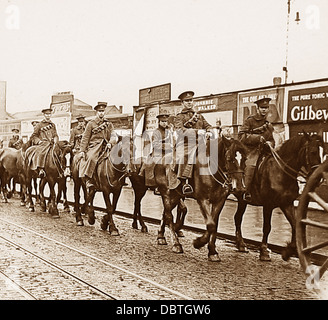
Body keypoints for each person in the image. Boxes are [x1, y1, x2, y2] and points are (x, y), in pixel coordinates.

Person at [175, 91, 213, 194]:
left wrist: (209, 131)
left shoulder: (199, 116)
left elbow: (208, 126)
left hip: (200, 143)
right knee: (185, 157)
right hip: (185, 143)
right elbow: (180, 131)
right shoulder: (179, 116)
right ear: (182, 103)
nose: (189, 102)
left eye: (191, 100)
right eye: (187, 101)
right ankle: (184, 182)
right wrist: (197, 132)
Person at [238, 97, 275, 202]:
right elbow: (241, 136)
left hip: (265, 152)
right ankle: (246, 192)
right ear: (257, 108)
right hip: (251, 151)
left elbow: (272, 139)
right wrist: (258, 138)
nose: (264, 110)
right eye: (262, 108)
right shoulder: (250, 121)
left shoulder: (268, 124)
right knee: (251, 166)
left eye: (266, 108)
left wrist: (270, 143)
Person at [78, 103, 118, 190]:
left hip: (106, 145)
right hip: (94, 146)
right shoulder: (91, 124)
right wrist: (82, 150)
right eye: (99, 111)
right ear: (96, 112)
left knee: (117, 158)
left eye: (103, 111)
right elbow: (85, 138)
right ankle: (90, 180)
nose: (101, 113)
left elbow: (113, 135)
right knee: (92, 158)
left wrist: (111, 143)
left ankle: (118, 179)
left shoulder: (109, 124)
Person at [28, 108, 59, 178]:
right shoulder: (39, 125)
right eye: (46, 114)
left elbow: (55, 134)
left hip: (52, 143)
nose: (48, 115)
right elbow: (33, 136)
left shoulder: (53, 125)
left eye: (49, 114)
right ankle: (41, 169)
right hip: (43, 144)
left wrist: (55, 139)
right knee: (41, 152)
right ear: (44, 115)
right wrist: (39, 141)